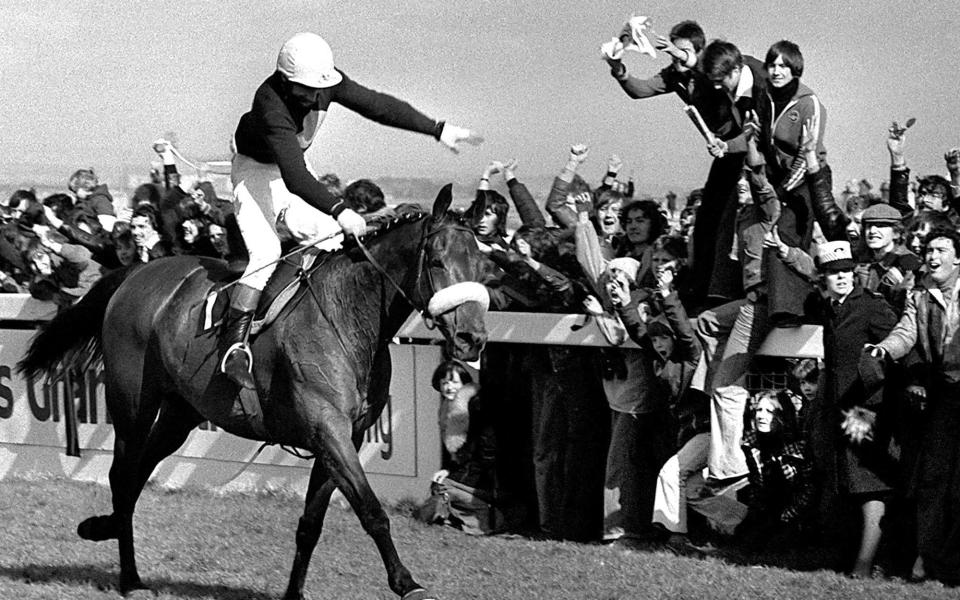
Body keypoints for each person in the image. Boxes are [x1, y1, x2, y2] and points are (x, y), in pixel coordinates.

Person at [222, 31, 482, 388]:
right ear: (285, 81)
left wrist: (436, 128)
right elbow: (296, 178)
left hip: (292, 165)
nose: (315, 97)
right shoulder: (270, 103)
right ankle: (233, 347)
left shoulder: (323, 78)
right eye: (306, 91)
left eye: (320, 89)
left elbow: (376, 105)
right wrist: (340, 208)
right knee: (266, 251)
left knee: (328, 239)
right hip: (254, 170)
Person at [869, 227, 960, 584]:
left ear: (958, 256)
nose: (932, 256)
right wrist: (885, 348)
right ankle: (931, 561)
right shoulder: (920, 296)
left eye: (940, 249)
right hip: (946, 396)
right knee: (933, 479)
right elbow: (907, 332)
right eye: (928, 250)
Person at [805, 240, 897, 577]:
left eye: (846, 271)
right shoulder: (830, 308)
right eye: (833, 273)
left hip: (865, 409)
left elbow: (899, 345)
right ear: (824, 278)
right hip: (839, 409)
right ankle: (850, 559)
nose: (842, 278)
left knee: (869, 485)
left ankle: (864, 565)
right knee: (846, 483)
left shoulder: (871, 306)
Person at [417, 361, 500, 535]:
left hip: (483, 476)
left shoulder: (474, 406)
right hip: (468, 469)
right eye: (444, 382)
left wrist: (454, 473)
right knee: (439, 484)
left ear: (464, 384)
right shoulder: (447, 407)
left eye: (454, 382)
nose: (449, 387)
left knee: (442, 487)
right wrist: (448, 469)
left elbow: (482, 451)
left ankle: (485, 515)